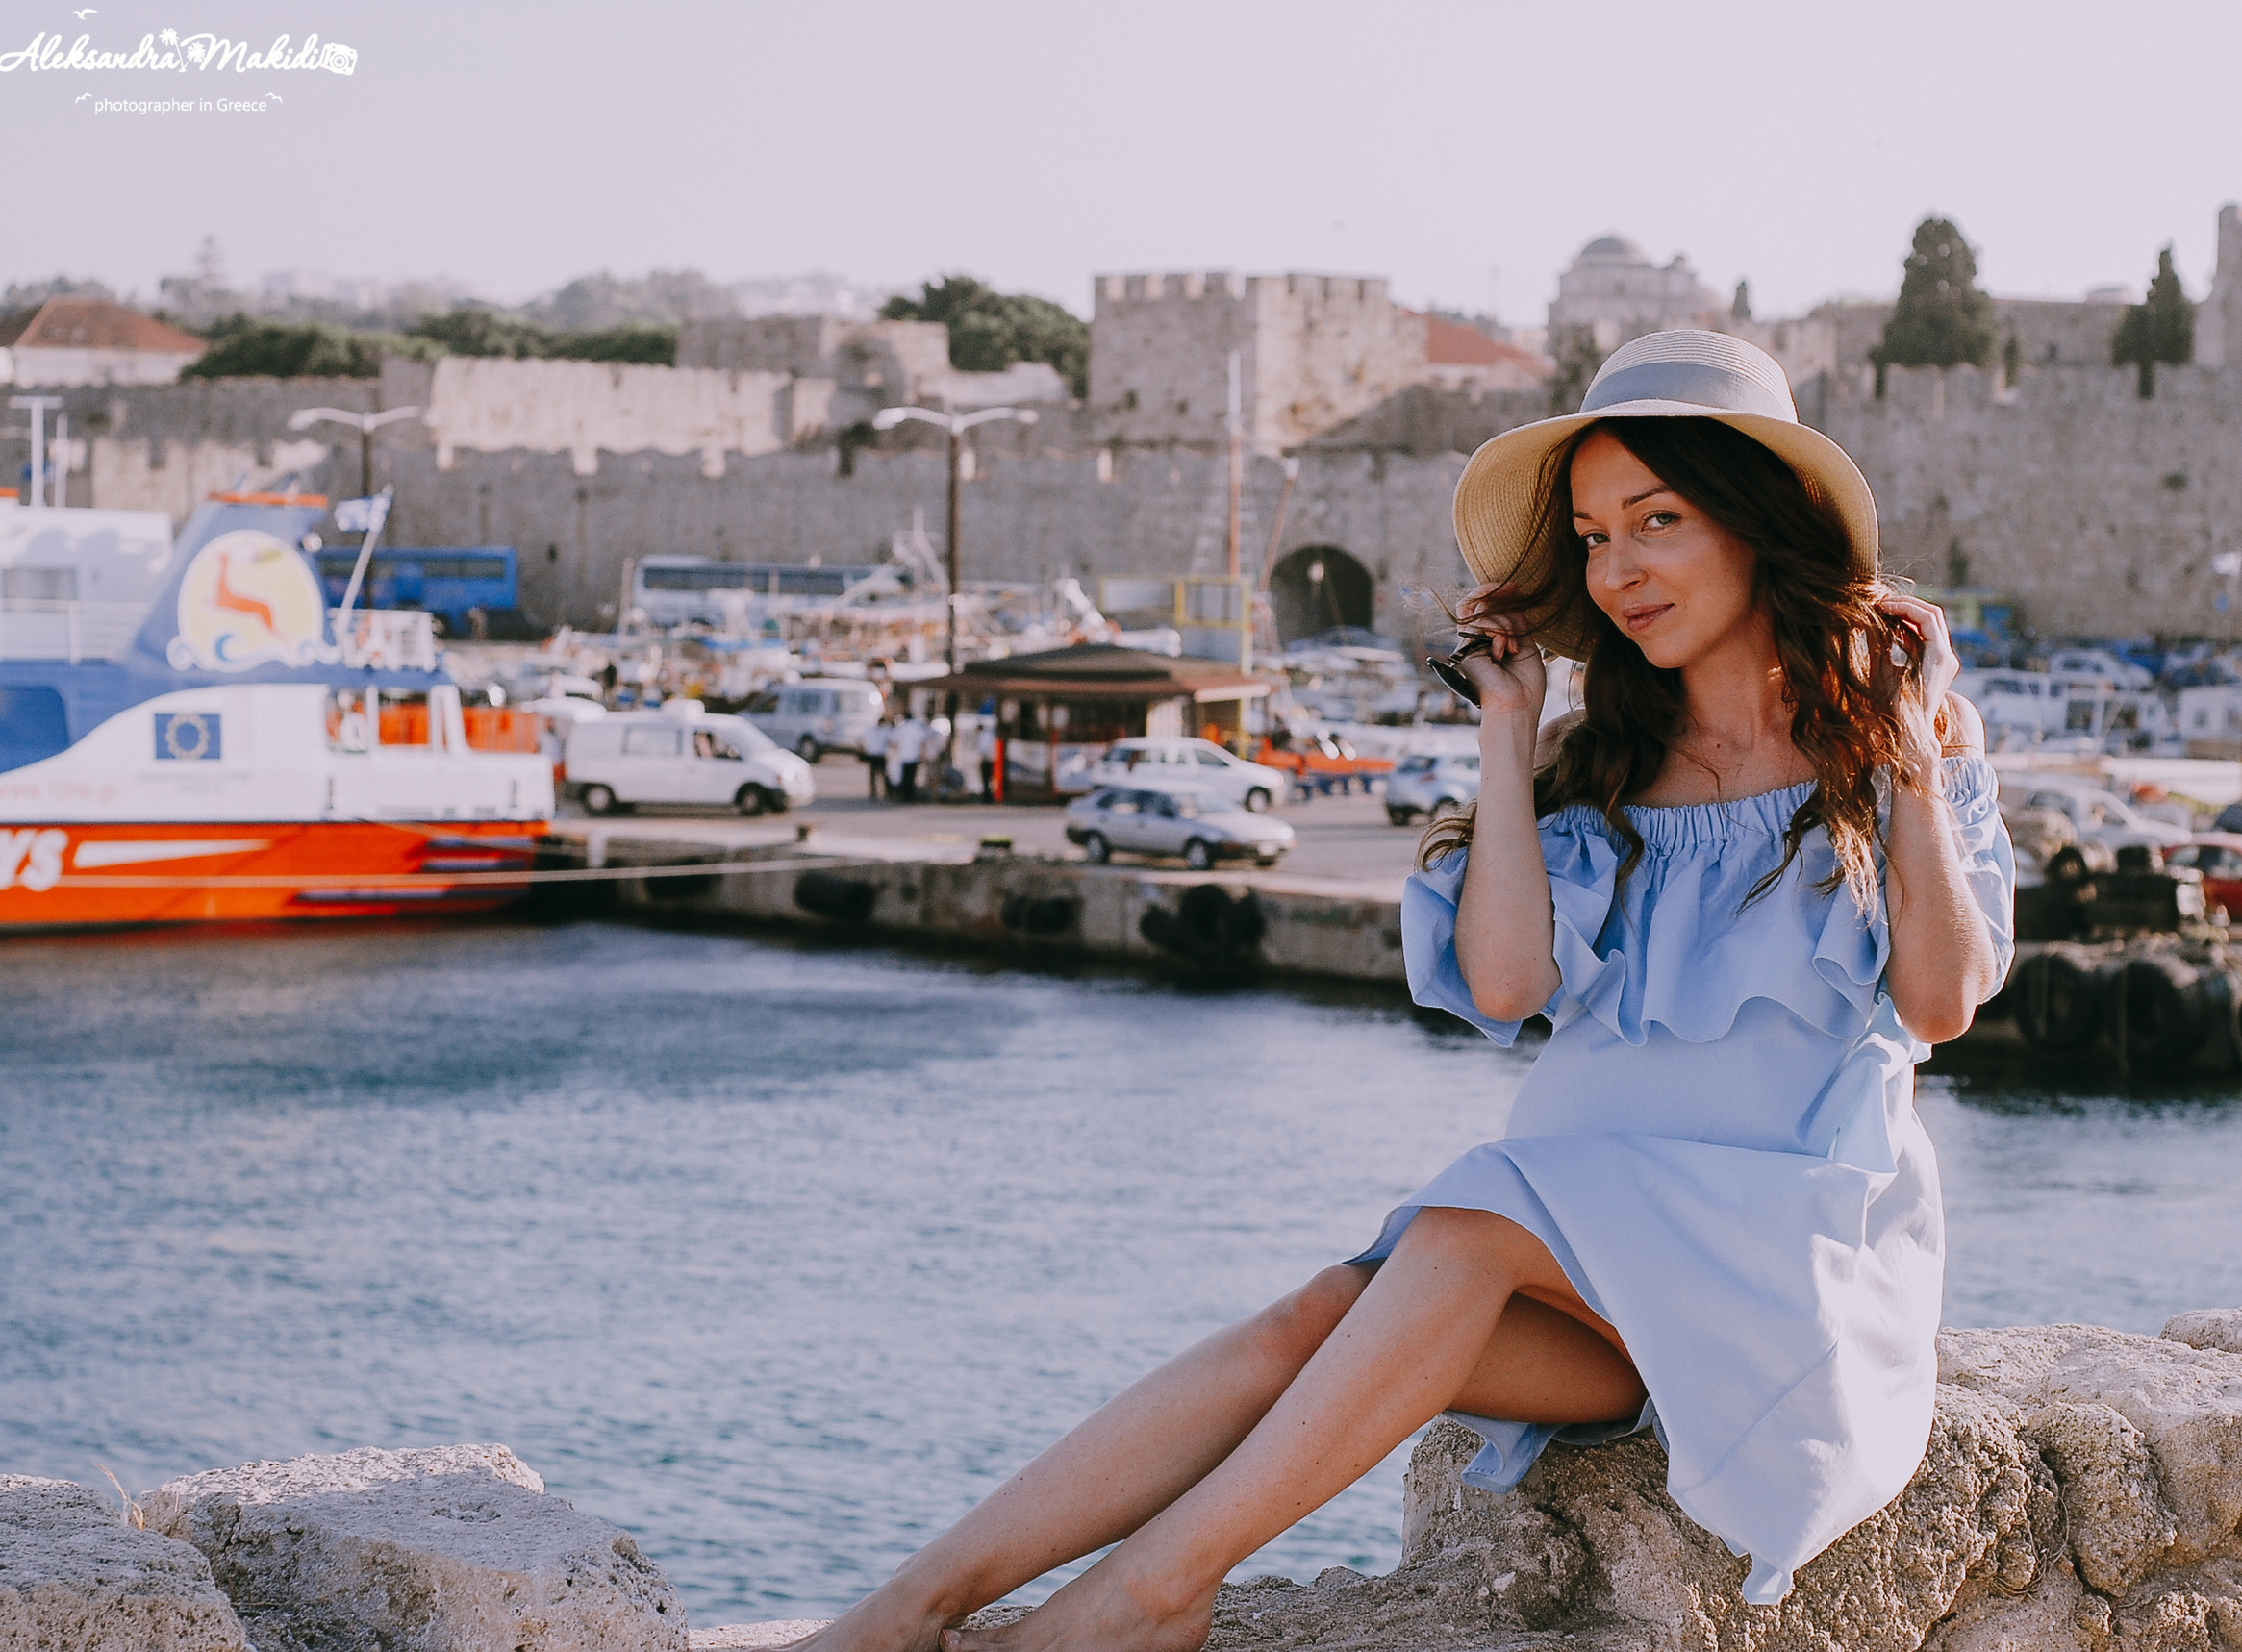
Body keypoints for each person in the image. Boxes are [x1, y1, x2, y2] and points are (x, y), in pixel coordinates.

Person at [803, 330, 2014, 1652]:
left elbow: (1943, 1001)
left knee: (1461, 1224)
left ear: (1756, 522)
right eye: (1595, 536)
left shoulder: (1897, 744)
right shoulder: (1600, 766)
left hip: (1785, 1271)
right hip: (1604, 1293)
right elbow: (1505, 985)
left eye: (1657, 521)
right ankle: (905, 1608)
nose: (1619, 570)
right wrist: (1506, 729)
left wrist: (1901, 755)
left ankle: (1149, 1593)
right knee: (1312, 1317)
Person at [891, 712, 928, 803]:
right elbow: (922, 742)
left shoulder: (900, 727)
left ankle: (904, 795)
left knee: (904, 777)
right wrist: (923, 754)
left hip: (902, 756)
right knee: (911, 777)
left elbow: (893, 742)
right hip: (914, 756)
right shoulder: (916, 727)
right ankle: (910, 796)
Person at [863, 717, 890, 801]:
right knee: (878, 774)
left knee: (877, 774)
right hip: (877, 754)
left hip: (876, 754)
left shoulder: (873, 730)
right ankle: (877, 791)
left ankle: (878, 791)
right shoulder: (885, 731)